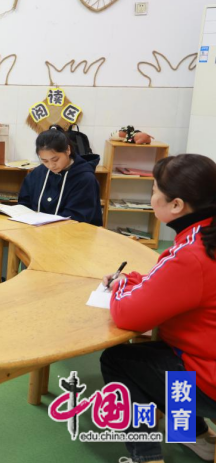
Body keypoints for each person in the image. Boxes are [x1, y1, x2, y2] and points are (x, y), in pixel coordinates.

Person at [100, 154, 216, 463]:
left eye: (154, 191)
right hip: (208, 359)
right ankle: (194, 435)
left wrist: (120, 286)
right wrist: (135, 280)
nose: (151, 198)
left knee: (119, 360)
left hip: (209, 379)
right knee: (166, 352)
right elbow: (170, 283)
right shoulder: (206, 235)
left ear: (176, 205)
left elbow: (128, 315)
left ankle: (147, 456)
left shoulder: (191, 254)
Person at [17, 125, 103, 225]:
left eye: (55, 159)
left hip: (72, 233)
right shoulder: (37, 173)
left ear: (68, 150)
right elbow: (24, 204)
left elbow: (77, 217)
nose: (51, 165)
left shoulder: (85, 179)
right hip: (36, 231)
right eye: (45, 161)